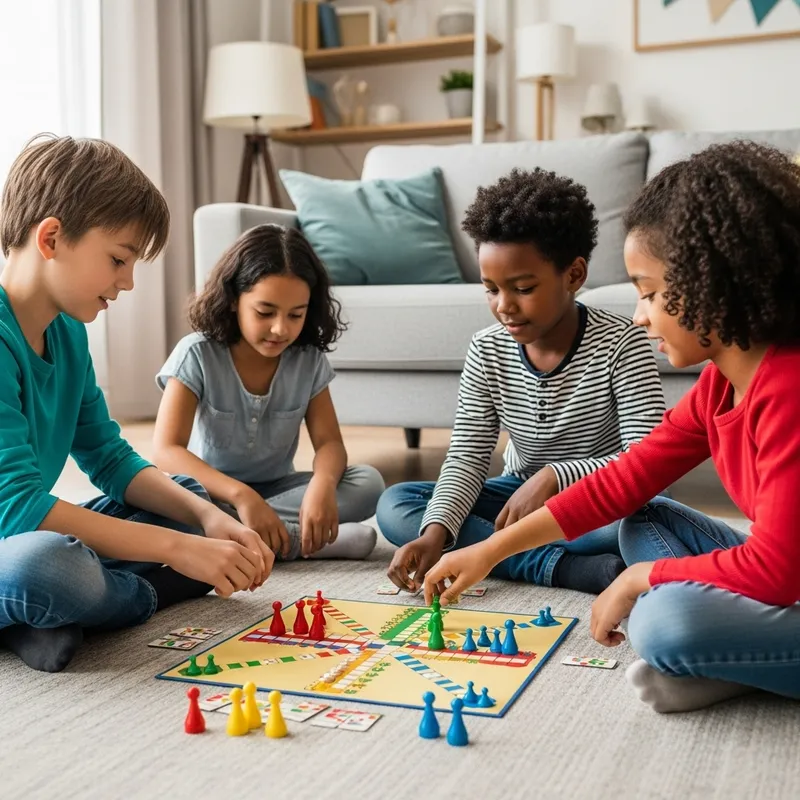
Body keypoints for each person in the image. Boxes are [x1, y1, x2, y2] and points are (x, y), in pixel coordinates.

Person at [422, 141, 800, 713]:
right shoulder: (718, 384)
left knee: (663, 622)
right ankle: (734, 663)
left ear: (714, 284)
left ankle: (719, 657)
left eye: (649, 293)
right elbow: (623, 481)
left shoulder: (788, 387)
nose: (640, 315)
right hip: (785, 575)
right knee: (645, 516)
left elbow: (776, 571)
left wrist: (640, 577)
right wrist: (489, 552)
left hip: (785, 575)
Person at [0, 135, 273, 673]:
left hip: (20, 537)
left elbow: (109, 458)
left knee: (190, 500)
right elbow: (19, 508)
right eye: (118, 259)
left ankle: (47, 617)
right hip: (20, 543)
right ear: (51, 238)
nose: (127, 282)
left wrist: (202, 518)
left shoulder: (67, 333)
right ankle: (134, 597)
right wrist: (176, 551)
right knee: (48, 567)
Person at [378, 167, 665, 594]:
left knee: (643, 522)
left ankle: (511, 552)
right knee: (397, 505)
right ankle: (564, 568)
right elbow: (468, 455)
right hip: (519, 496)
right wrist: (435, 534)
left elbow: (645, 457)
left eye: (523, 288)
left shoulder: (623, 342)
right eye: (491, 289)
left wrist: (554, 476)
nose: (504, 306)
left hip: (601, 501)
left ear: (574, 275)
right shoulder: (486, 349)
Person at [153, 224, 384, 562]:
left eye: (296, 315)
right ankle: (295, 540)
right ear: (233, 300)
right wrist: (242, 496)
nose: (280, 328)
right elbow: (166, 451)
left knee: (369, 483)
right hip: (210, 493)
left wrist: (321, 486)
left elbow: (330, 443)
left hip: (279, 488)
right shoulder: (196, 354)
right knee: (162, 502)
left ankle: (242, 536)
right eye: (265, 312)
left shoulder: (308, 360)